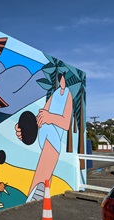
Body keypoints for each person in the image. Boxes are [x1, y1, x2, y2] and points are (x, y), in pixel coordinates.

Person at [15, 72, 73, 201]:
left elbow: (66, 123)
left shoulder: (68, 95)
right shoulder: (54, 94)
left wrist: (50, 117)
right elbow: (41, 116)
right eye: (59, 78)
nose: (60, 80)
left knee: (43, 170)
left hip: (52, 135)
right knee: (46, 172)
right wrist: (24, 129)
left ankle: (32, 196)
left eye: (62, 78)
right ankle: (39, 195)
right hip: (44, 133)